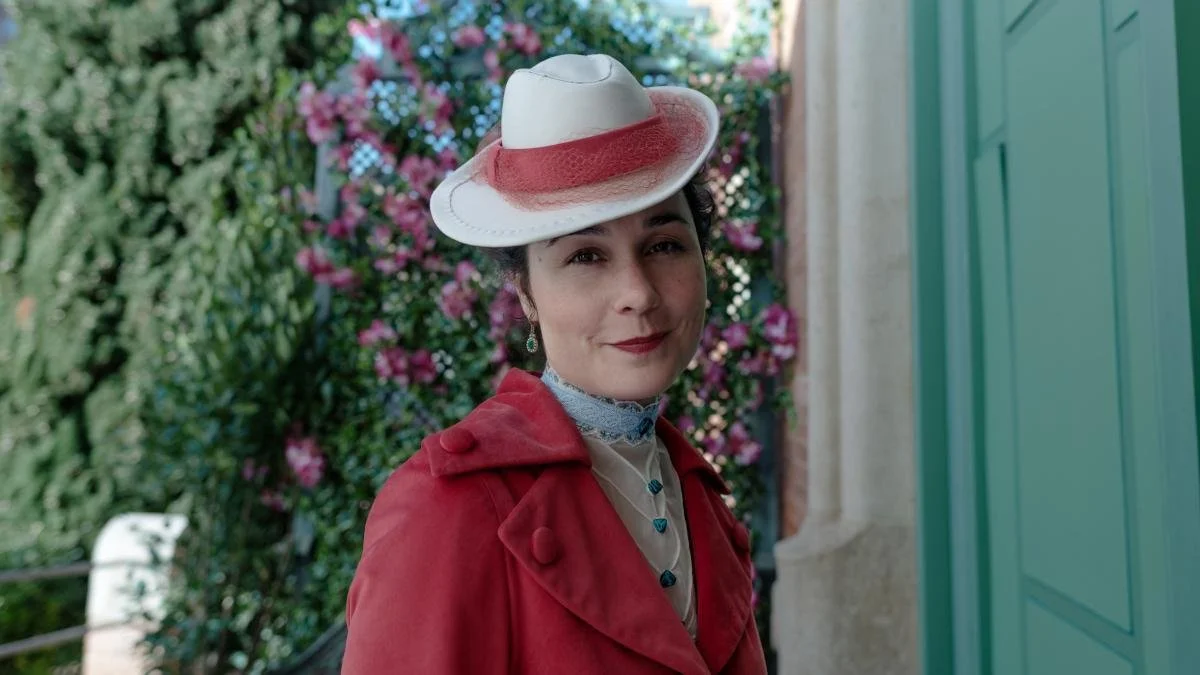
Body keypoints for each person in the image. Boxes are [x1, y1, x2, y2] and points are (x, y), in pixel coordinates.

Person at [341, 53, 767, 675]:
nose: (639, 293)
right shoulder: (450, 507)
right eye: (586, 257)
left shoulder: (702, 502)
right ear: (526, 294)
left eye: (665, 244)